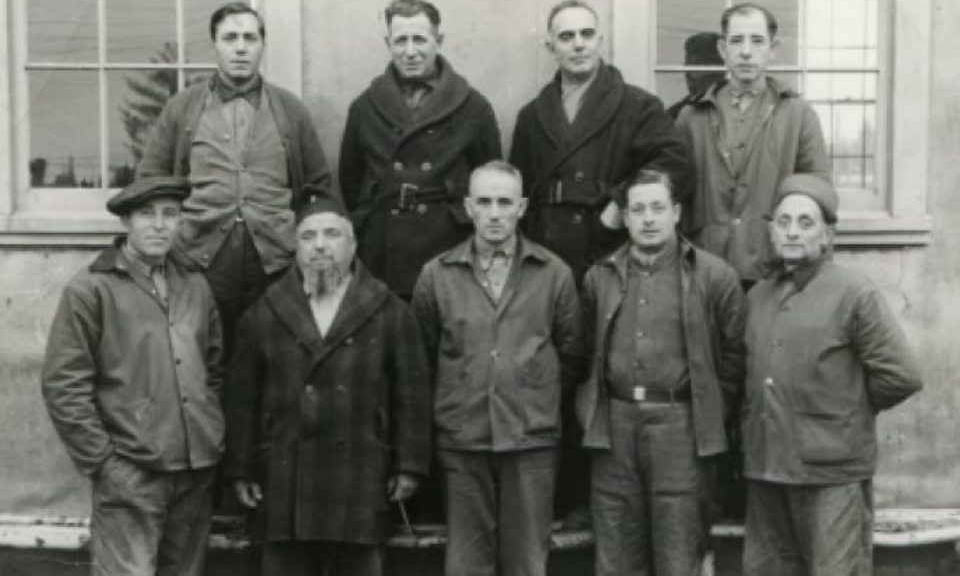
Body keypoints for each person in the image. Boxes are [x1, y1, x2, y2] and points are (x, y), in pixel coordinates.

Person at [223, 192, 431, 576]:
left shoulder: (389, 311)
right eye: (308, 237)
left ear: (352, 244)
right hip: (284, 482)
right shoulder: (263, 313)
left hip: (360, 477)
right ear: (295, 247)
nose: (320, 246)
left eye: (332, 235)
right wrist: (241, 469)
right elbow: (242, 400)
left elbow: (412, 396)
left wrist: (410, 466)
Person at [41, 177, 224, 576]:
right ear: (126, 221)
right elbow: (64, 386)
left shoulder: (194, 284)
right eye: (147, 214)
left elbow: (214, 370)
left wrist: (209, 435)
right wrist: (106, 463)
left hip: (194, 473)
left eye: (170, 215)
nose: (160, 225)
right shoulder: (92, 289)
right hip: (131, 473)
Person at [742, 174, 922, 575]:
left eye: (805, 223)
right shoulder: (758, 297)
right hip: (767, 468)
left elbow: (902, 376)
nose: (792, 232)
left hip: (831, 474)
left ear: (827, 236)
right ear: (772, 231)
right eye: (783, 222)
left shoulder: (855, 293)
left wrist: (842, 412)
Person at [411, 161, 583, 576]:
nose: (494, 213)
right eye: (484, 202)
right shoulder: (437, 275)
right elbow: (421, 356)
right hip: (462, 440)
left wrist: (527, 396)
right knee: (466, 565)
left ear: (521, 207)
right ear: (469, 207)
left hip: (531, 442)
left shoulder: (553, 273)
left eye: (504, 202)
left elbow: (572, 353)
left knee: (527, 563)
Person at [576, 168, 746, 576]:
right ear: (626, 217)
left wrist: (705, 412)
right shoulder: (599, 277)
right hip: (613, 428)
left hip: (681, 429)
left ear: (676, 213)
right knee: (616, 555)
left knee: (679, 554)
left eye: (657, 208)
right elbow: (582, 355)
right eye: (638, 210)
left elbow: (735, 360)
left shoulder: (713, 276)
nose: (648, 218)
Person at [137, 2, 331, 352]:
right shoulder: (182, 108)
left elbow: (319, 189)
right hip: (199, 262)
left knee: (273, 358)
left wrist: (303, 249)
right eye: (230, 38)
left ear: (262, 45)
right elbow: (150, 184)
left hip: (275, 263)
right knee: (204, 358)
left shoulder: (291, 110)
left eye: (250, 38)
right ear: (215, 45)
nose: (240, 47)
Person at [510, 0, 693, 283]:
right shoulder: (531, 116)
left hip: (611, 248)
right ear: (551, 48)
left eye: (587, 34)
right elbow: (518, 191)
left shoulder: (638, 105)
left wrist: (618, 206)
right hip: (546, 253)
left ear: (600, 41)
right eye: (566, 37)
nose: (579, 44)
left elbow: (677, 165)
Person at [340, 0, 502, 299]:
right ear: (388, 42)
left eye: (420, 39)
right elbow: (351, 182)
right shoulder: (364, 107)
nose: (410, 51)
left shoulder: (473, 107)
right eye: (401, 41)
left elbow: (491, 180)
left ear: (438, 40)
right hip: (384, 246)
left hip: (448, 241)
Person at [677, 3, 832, 288]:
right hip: (705, 272)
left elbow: (820, 198)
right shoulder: (691, 117)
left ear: (773, 48)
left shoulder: (798, 114)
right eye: (736, 41)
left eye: (757, 41)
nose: (746, 51)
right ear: (723, 50)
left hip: (774, 271)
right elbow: (676, 197)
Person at [665, 31, 726, 120]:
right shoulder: (677, 112)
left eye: (695, 65)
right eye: (687, 66)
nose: (689, 74)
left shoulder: (733, 105)